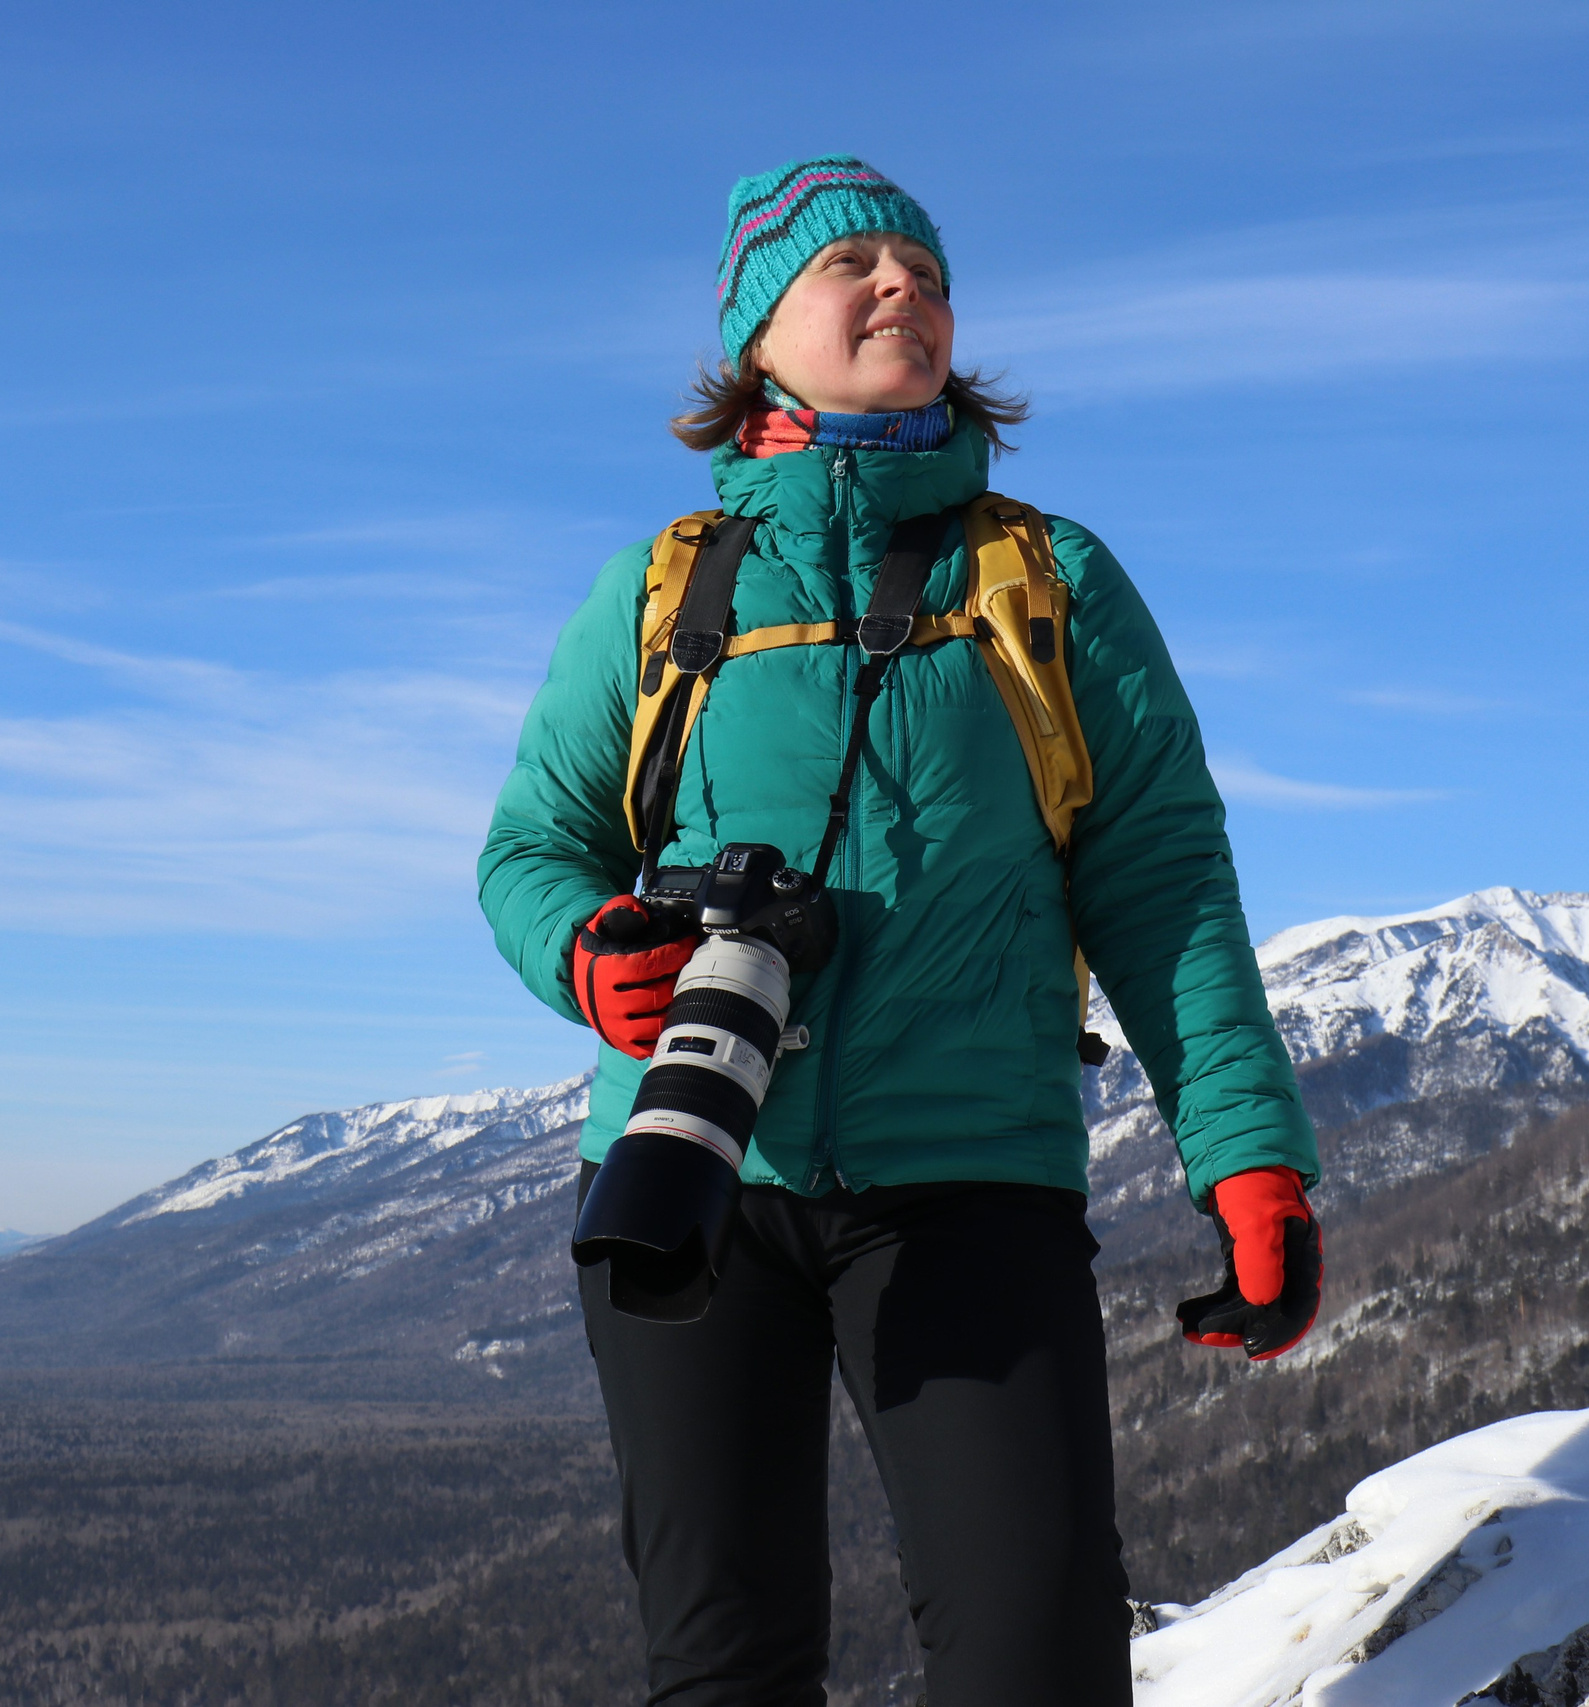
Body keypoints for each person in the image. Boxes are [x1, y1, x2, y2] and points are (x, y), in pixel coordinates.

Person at [476, 156, 1324, 1707]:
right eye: (852, 264)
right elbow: (532, 850)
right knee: (725, 1664)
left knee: (1037, 1655)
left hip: (971, 1184)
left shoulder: (1049, 579)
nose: (903, 289)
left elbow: (1164, 884)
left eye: (926, 271)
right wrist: (592, 953)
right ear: (756, 335)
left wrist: (1249, 1152)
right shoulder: (668, 590)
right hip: (690, 1170)